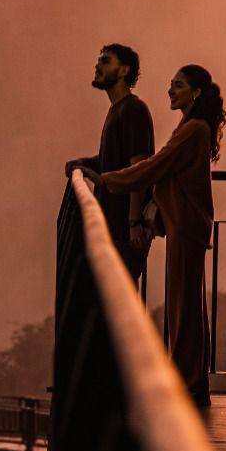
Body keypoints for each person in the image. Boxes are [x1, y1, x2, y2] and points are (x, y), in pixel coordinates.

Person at [82, 64, 223, 410]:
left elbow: (154, 166)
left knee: (184, 306)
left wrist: (106, 181)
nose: (170, 90)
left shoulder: (193, 131)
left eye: (178, 85)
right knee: (187, 304)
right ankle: (194, 383)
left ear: (196, 92)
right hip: (185, 224)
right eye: (170, 84)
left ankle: (188, 384)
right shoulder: (191, 128)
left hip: (187, 225)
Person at [63, 43, 155, 280]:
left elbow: (139, 170)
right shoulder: (117, 110)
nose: (97, 65)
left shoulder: (133, 110)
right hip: (114, 226)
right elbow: (112, 161)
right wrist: (83, 163)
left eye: (105, 61)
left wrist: (133, 223)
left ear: (124, 71)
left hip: (123, 230)